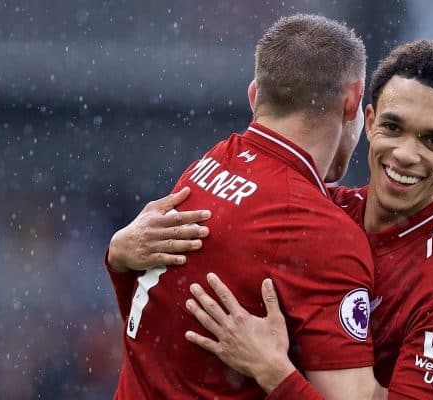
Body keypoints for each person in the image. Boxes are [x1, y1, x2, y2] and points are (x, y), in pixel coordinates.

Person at [110, 40, 433, 399]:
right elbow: (165, 329)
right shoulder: (315, 215)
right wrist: (120, 258)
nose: (406, 154)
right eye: (393, 128)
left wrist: (275, 373)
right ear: (368, 119)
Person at [105, 14, 380, 400]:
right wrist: (277, 375)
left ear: (254, 95)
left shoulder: (205, 168)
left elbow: (153, 333)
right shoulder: (322, 232)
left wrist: (116, 259)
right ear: (352, 100)